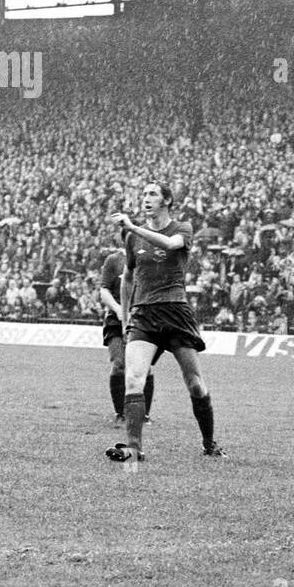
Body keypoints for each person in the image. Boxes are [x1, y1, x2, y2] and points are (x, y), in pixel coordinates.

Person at [105, 182, 224, 462]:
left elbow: (170, 245)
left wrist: (132, 226)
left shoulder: (182, 228)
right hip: (144, 315)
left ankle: (209, 443)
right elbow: (128, 279)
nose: (146, 198)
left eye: (152, 194)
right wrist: (125, 316)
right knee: (133, 378)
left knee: (194, 383)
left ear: (167, 201)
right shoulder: (133, 239)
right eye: (144, 194)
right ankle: (134, 448)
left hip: (175, 312)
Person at [99, 234, 155, 426]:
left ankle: (144, 414)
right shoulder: (113, 261)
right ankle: (120, 413)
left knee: (145, 368)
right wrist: (118, 310)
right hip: (116, 320)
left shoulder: (148, 258)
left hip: (142, 319)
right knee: (118, 364)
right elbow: (104, 290)